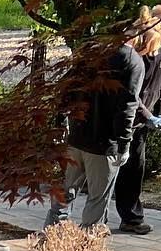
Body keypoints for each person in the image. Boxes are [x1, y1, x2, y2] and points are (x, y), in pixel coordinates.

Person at [45, 22, 145, 230]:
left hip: (77, 136)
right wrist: (124, 144)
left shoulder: (90, 55)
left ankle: (50, 236)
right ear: (136, 37)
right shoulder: (132, 62)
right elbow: (127, 107)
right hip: (104, 144)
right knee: (98, 199)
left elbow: (65, 89)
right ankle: (86, 246)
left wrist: (60, 121)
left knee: (66, 191)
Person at [113, 4, 161, 235]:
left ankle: (131, 217)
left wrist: (159, 111)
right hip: (130, 114)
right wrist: (146, 115)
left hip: (146, 114)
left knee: (135, 167)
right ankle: (95, 218)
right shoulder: (139, 50)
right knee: (116, 165)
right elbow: (131, 93)